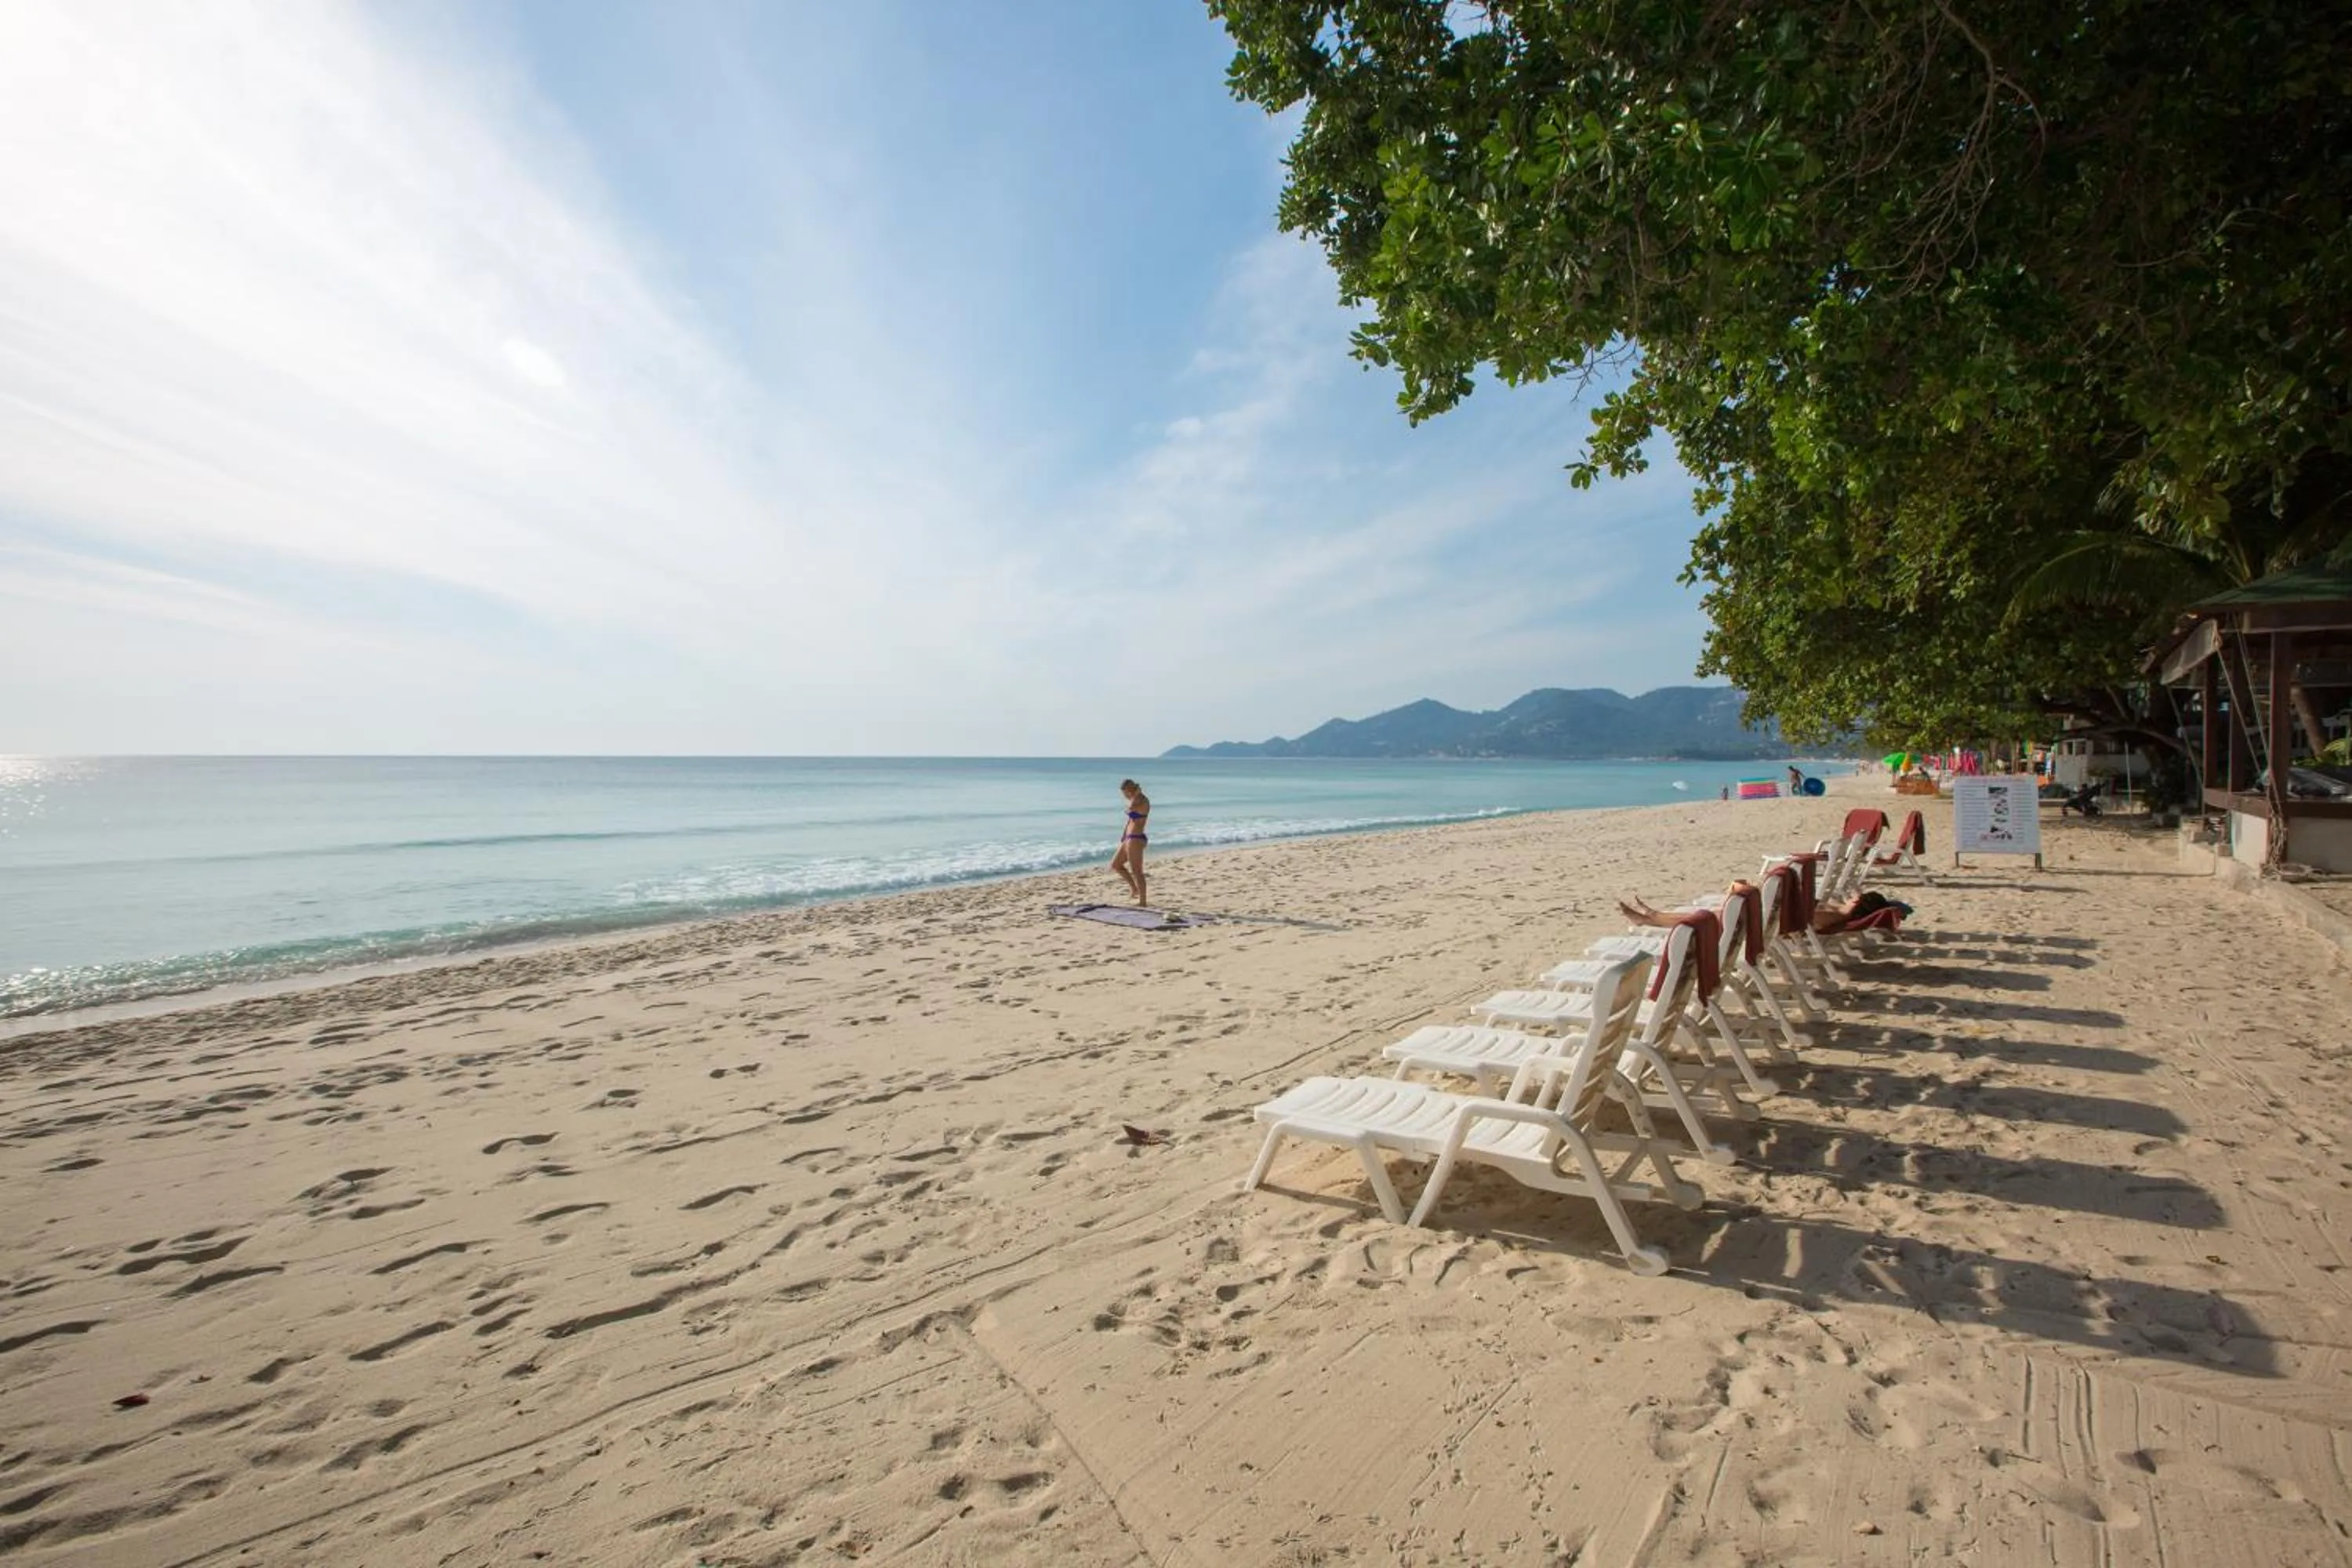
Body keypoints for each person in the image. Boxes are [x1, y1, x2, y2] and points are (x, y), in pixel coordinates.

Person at [1619, 884, 1911, 937]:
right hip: (1768, 923)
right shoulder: (1840, 913)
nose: (1851, 896)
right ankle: (1651, 917)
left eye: (1855, 897)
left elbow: (1800, 917)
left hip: (1764, 928)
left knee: (1708, 920)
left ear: (1859, 905)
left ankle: (1651, 918)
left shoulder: (1837, 915)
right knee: (1708, 918)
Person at [1111, 778, 1150, 906]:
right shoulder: (1135, 798)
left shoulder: (1140, 799)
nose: (1124, 796)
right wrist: (1123, 836)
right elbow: (1129, 820)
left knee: (1137, 871)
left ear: (1129, 790)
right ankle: (1134, 889)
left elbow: (1129, 810)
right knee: (1116, 865)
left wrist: (1136, 794)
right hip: (1129, 838)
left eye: (1125, 793)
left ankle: (1143, 902)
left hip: (1136, 838)